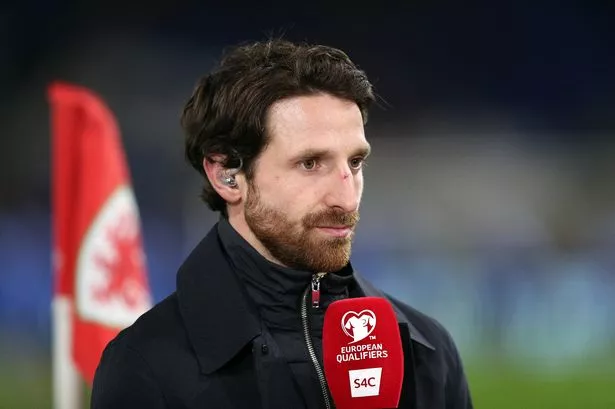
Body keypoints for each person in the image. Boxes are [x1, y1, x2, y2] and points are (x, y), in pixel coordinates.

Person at [91, 38, 473, 409]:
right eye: (310, 164)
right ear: (227, 175)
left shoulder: (427, 354)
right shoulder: (146, 368)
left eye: (355, 162)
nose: (346, 199)